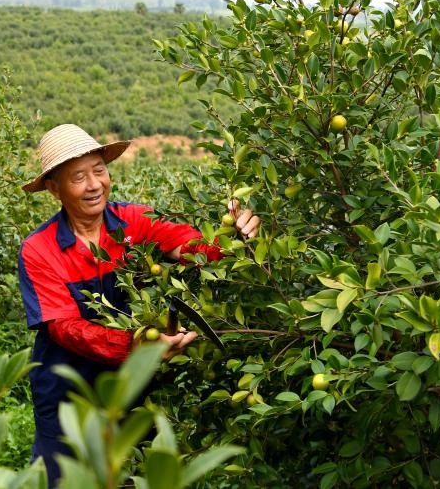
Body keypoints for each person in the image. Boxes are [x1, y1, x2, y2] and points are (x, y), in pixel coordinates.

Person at [17, 124, 259, 485]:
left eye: (99, 170)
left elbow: (193, 248)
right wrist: (137, 347)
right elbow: (64, 328)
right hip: (68, 400)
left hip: (135, 395)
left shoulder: (134, 222)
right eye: (78, 177)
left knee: (136, 476)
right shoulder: (40, 249)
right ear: (54, 188)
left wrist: (234, 239)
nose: (94, 184)